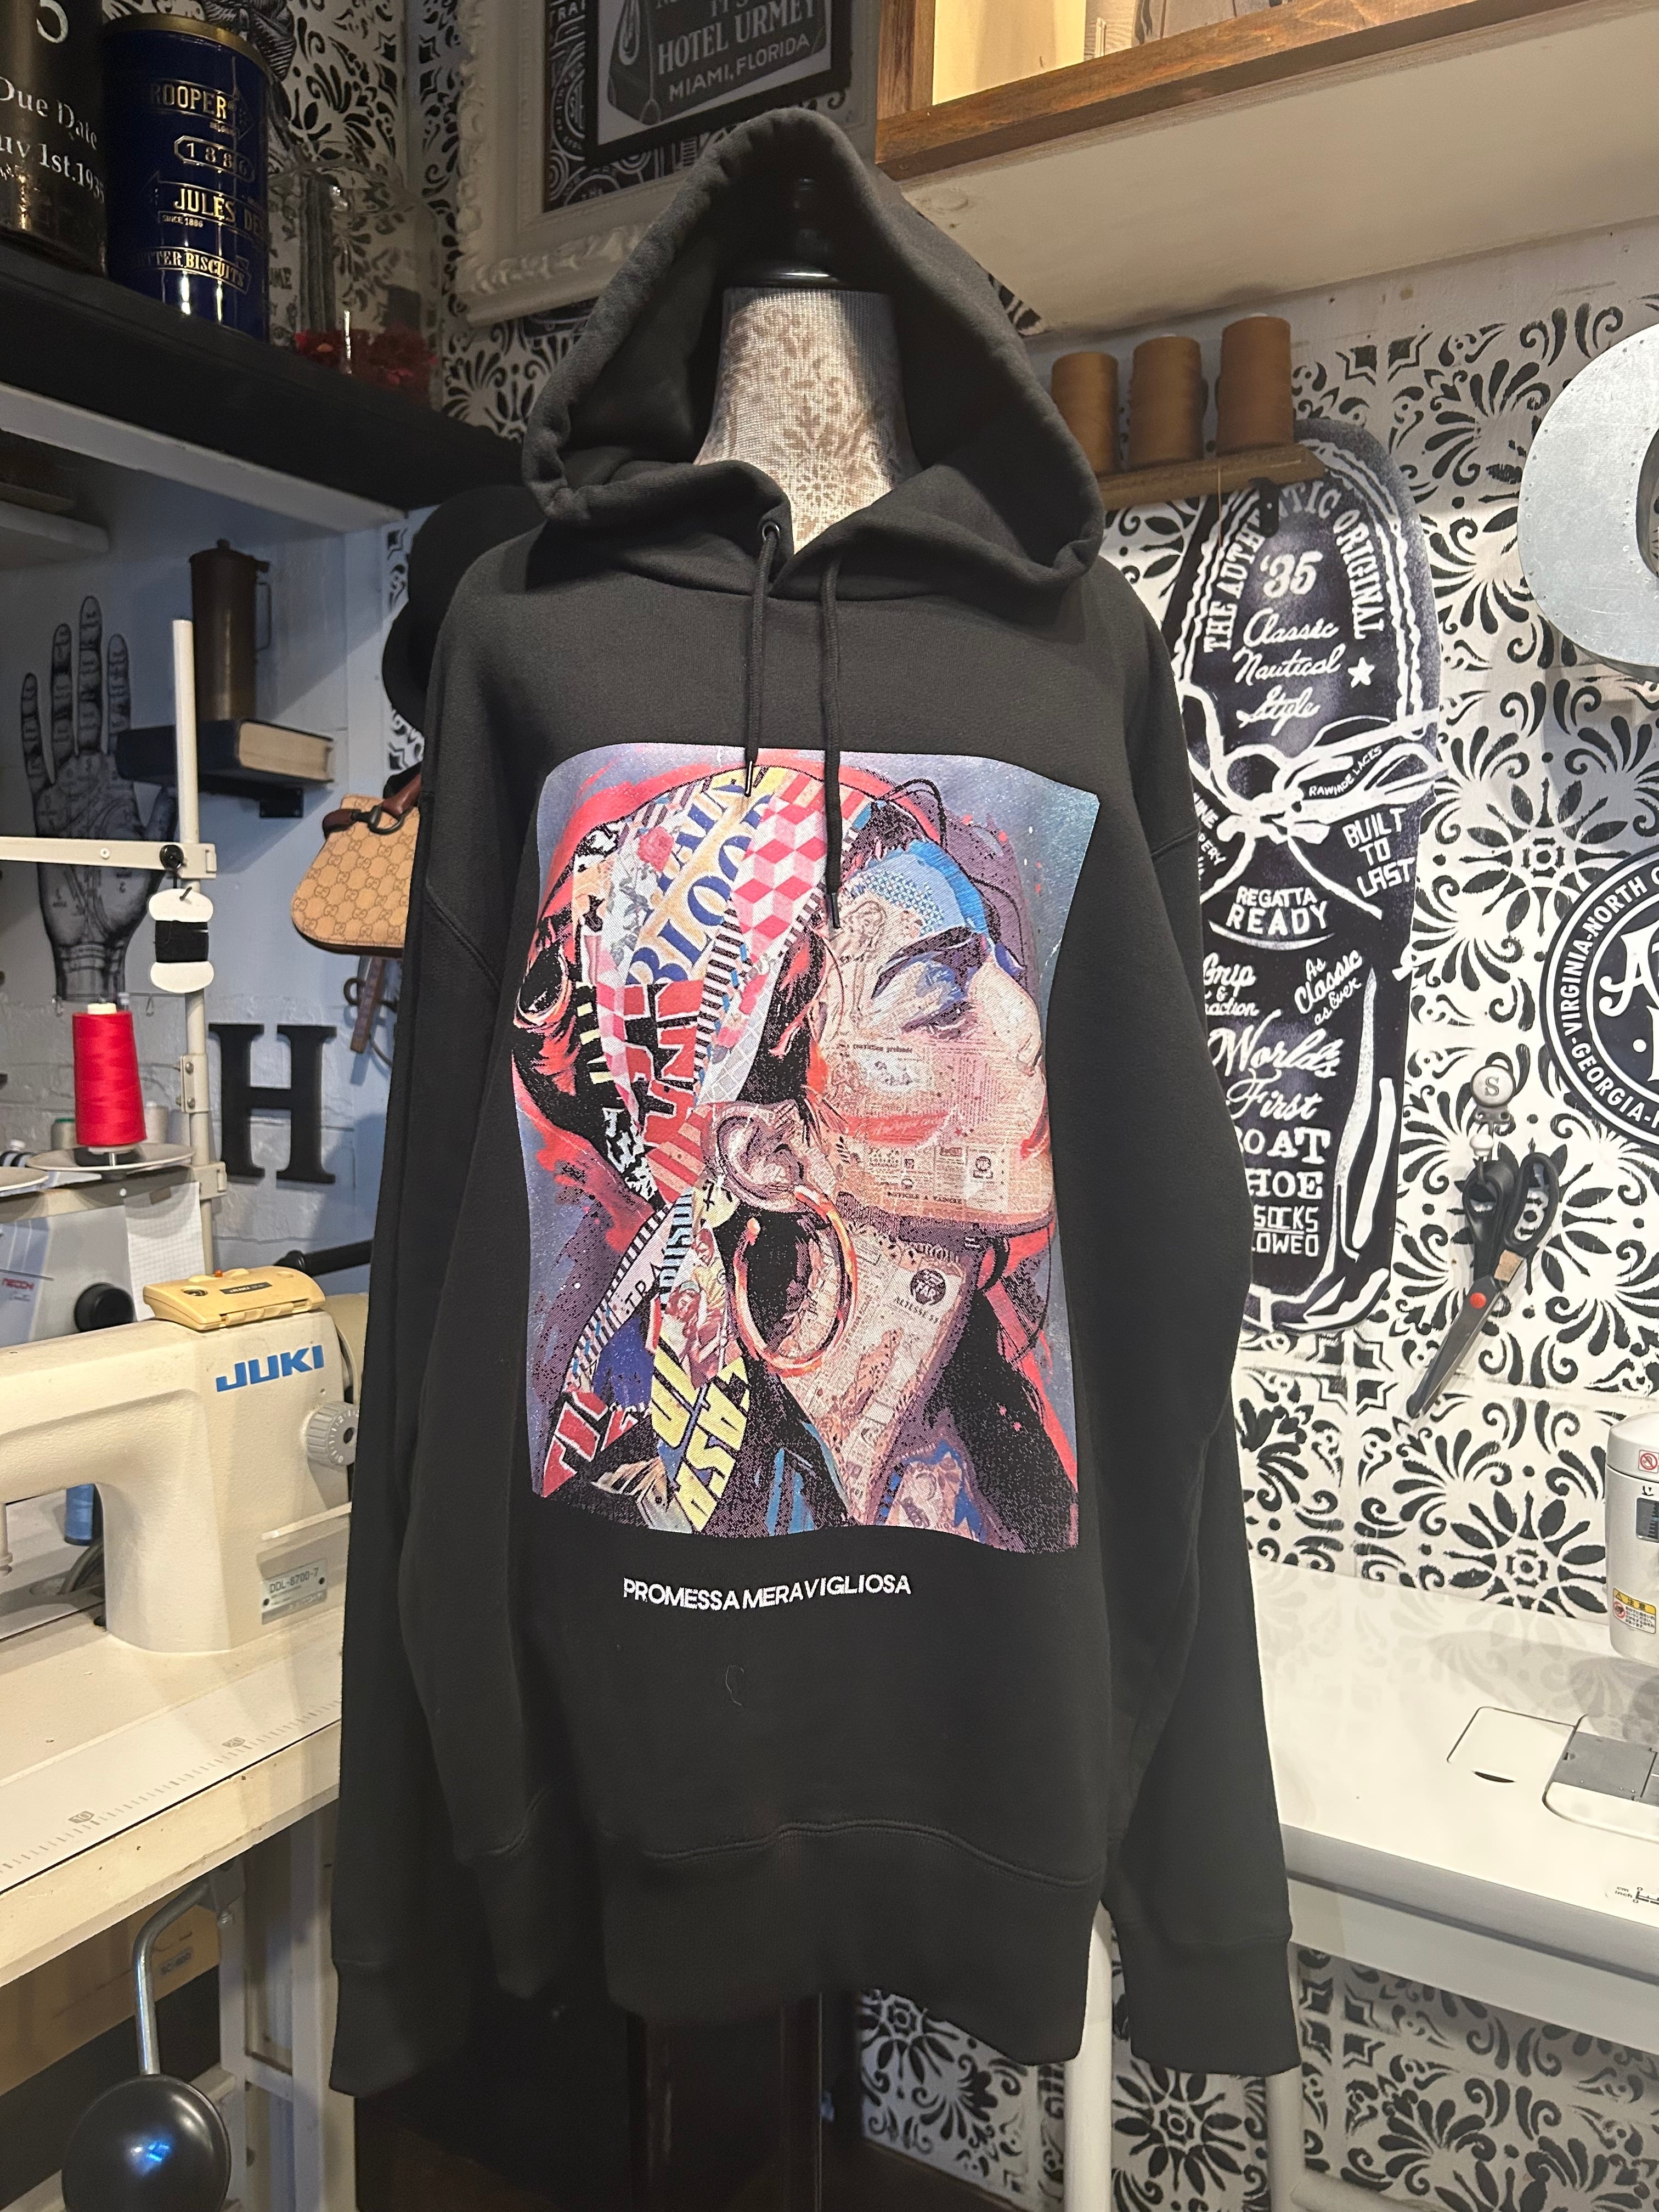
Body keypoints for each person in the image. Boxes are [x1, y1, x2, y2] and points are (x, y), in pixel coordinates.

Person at [512, 752, 1077, 1552]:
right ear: (768, 1154)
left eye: (1003, 963)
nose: (1024, 1025)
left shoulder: (1017, 1459)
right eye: (942, 999)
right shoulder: (649, 1522)